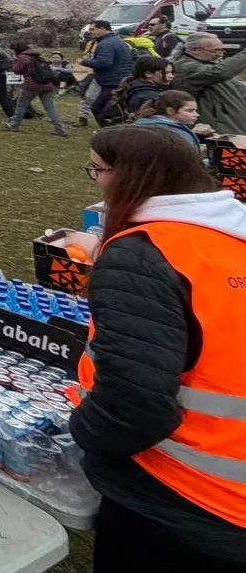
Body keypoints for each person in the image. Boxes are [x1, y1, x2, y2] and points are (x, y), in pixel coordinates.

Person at [70, 125, 246, 571]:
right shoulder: (228, 235)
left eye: (97, 169)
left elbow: (136, 404)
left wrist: (85, 434)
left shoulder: (145, 254)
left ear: (134, 176)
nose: (94, 179)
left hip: (186, 492)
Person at [171, 33, 246, 135]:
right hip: (217, 134)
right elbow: (220, 72)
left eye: (222, 50)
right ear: (195, 50)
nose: (220, 54)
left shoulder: (208, 66)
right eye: (215, 50)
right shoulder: (185, 67)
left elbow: (239, 89)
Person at [81, 20, 136, 127]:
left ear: (102, 29)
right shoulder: (117, 40)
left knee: (99, 108)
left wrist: (84, 62)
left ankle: (109, 132)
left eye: (93, 29)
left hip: (112, 82)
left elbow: (104, 62)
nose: (90, 32)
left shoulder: (106, 43)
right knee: (110, 109)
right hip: (120, 80)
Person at [6, 43, 69, 136]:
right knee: (49, 107)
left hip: (32, 85)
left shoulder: (22, 57)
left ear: (17, 50)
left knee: (21, 104)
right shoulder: (37, 56)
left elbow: (17, 70)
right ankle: (61, 128)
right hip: (47, 84)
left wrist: (14, 61)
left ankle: (14, 125)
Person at [136, 90, 208, 153]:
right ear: (170, 111)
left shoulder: (141, 124)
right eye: (190, 111)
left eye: (195, 110)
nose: (197, 115)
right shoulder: (178, 134)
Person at [120, 56, 175, 121]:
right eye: (167, 72)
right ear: (148, 74)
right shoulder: (148, 96)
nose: (172, 76)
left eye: (171, 72)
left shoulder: (132, 86)